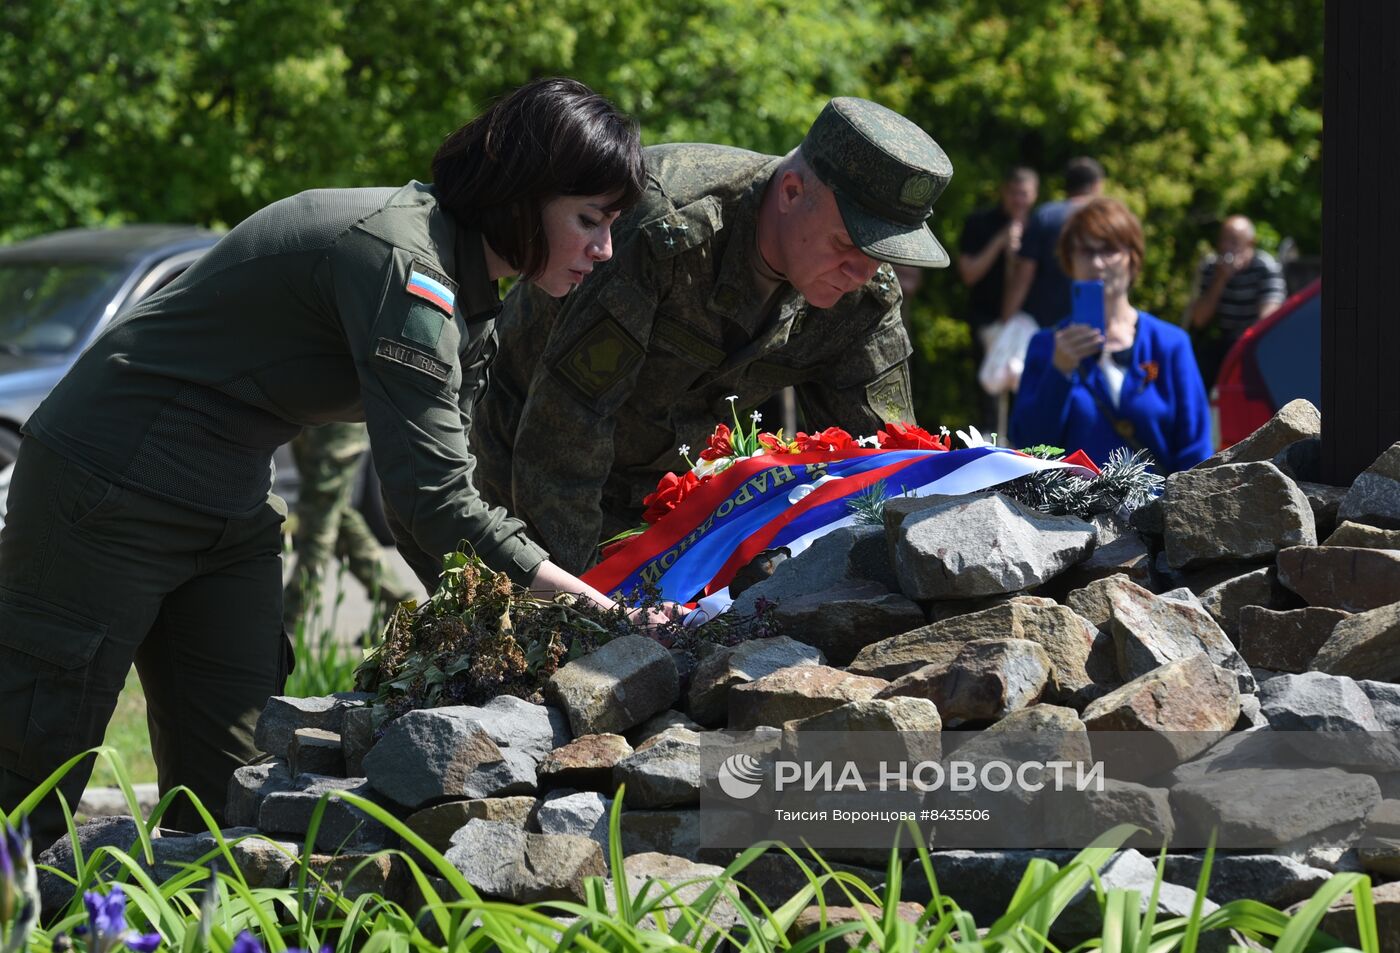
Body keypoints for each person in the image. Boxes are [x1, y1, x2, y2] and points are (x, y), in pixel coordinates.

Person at [0, 77, 652, 849]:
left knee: (235, 800)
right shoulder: (402, 266)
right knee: (29, 780)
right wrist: (594, 610)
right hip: (106, 484)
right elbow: (433, 502)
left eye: (611, 225)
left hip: (230, 499)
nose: (604, 249)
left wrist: (501, 624)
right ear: (522, 193)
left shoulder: (473, 287)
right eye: (589, 220)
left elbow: (441, 504)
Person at [471, 97, 954, 574]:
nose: (862, 271)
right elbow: (561, 439)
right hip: (506, 471)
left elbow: (886, 458)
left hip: (665, 504)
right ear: (790, 192)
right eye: (848, 241)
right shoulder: (663, 228)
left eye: (881, 251)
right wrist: (586, 601)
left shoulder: (865, 293)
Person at [1010, 197, 1212, 474]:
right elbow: (1027, 448)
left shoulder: (1170, 344)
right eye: (1084, 251)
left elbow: (1197, 451)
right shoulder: (1046, 346)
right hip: (1068, 514)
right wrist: (1059, 373)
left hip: (1157, 511)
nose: (1097, 262)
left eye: (1108, 250)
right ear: (1069, 261)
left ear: (1132, 257)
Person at [281, 422, 415, 633]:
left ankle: (291, 610)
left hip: (337, 413)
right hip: (306, 411)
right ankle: (398, 603)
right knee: (332, 509)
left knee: (320, 506)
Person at [957, 166, 1039, 426]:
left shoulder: (1041, 228)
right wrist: (1000, 241)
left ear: (1034, 195)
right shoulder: (979, 223)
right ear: (1003, 192)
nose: (1018, 200)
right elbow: (968, 274)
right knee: (989, 390)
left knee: (1024, 389)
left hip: (1027, 320)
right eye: (1014, 193)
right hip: (987, 317)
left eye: (1024, 194)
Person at [1185, 214, 1287, 390]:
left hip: (1256, 343)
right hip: (1224, 342)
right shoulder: (1212, 268)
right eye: (1223, 240)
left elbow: (1269, 319)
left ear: (1250, 243)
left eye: (1233, 241)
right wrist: (1220, 280)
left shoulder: (1265, 267)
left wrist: (1242, 347)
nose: (1226, 247)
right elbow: (1199, 319)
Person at [1001, 157, 1105, 328]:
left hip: (1046, 325)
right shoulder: (1108, 218)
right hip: (1095, 324)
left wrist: (1006, 320)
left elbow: (1024, 275)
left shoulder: (1046, 216)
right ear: (1097, 185)